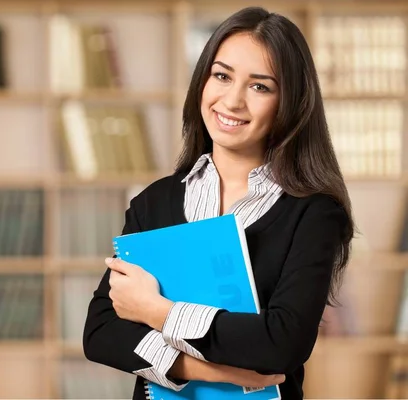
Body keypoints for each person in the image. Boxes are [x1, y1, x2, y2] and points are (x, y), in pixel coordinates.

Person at [82, 6, 355, 400]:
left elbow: (281, 344)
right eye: (222, 76)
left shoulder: (313, 213)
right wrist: (212, 369)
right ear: (202, 81)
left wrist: (155, 311)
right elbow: (101, 331)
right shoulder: (154, 202)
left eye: (260, 86)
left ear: (289, 103)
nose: (232, 101)